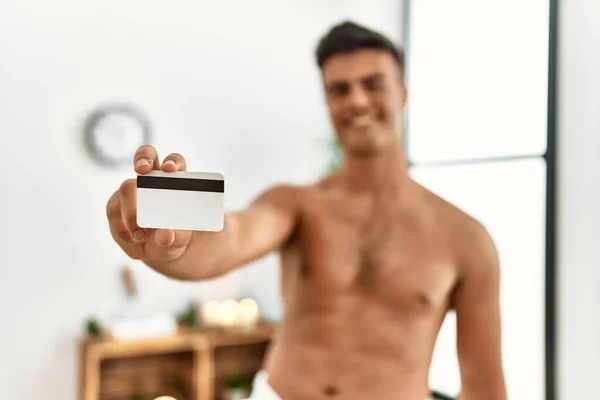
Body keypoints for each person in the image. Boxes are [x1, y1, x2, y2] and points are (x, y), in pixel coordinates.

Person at [106, 21, 507, 400]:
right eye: (339, 89)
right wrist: (175, 245)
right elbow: (235, 236)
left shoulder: (465, 239)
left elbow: (485, 388)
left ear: (401, 93)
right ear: (327, 102)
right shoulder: (297, 205)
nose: (357, 101)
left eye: (372, 84)